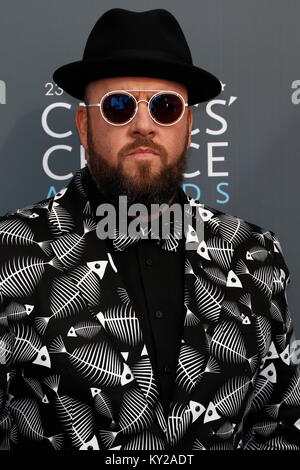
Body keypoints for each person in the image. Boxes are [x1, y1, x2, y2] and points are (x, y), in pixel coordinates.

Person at [0, 8, 299, 451]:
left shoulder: (254, 254)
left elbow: (277, 427)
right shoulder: (10, 253)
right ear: (85, 126)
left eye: (165, 106)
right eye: (118, 106)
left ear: (189, 126)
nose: (143, 125)